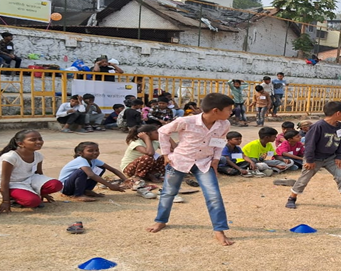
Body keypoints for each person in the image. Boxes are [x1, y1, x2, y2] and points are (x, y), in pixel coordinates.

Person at [148, 93, 236, 246]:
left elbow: (219, 141)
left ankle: (219, 230)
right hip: (179, 161)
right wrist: (166, 154)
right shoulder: (186, 121)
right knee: (169, 192)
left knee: (214, 195)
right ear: (216, 110)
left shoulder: (224, 124)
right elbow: (163, 131)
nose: (231, 113)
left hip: (204, 163)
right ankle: (161, 220)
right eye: (229, 109)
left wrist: (215, 160)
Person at [285, 101, 341, 217]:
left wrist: (338, 156)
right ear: (338, 113)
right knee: (304, 178)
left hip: (331, 158)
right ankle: (292, 198)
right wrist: (310, 160)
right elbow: (310, 144)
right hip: (315, 158)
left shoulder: (340, 126)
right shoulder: (318, 126)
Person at [0, 130, 63, 212]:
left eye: (40, 139)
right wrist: (5, 201)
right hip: (13, 184)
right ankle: (13, 199)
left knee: (56, 184)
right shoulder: (10, 157)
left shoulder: (38, 156)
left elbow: (39, 174)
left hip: (29, 179)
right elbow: (4, 180)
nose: (39, 142)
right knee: (33, 201)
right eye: (33, 140)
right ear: (20, 143)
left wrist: (43, 193)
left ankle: (30, 194)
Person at [59, 142, 127, 202]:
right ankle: (78, 195)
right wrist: (110, 185)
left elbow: (113, 169)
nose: (95, 153)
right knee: (81, 172)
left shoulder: (94, 160)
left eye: (97, 150)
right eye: (90, 151)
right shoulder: (81, 160)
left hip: (74, 185)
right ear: (80, 153)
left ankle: (86, 190)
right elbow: (91, 175)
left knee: (101, 168)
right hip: (66, 188)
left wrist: (126, 180)